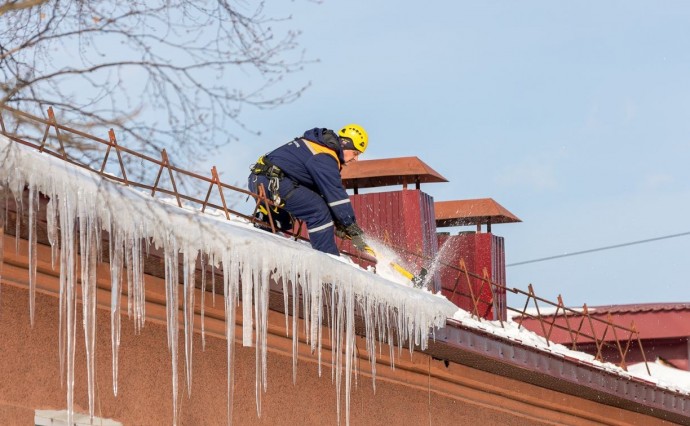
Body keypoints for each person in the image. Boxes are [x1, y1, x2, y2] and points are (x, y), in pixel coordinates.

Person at [248, 124, 375, 258]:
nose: (356, 159)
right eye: (355, 153)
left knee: (292, 217)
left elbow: (321, 192)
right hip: (274, 182)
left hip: (261, 180)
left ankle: (266, 221)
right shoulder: (325, 156)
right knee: (318, 211)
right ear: (344, 144)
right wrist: (352, 227)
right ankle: (328, 259)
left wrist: (339, 222)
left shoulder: (317, 146)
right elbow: (336, 195)